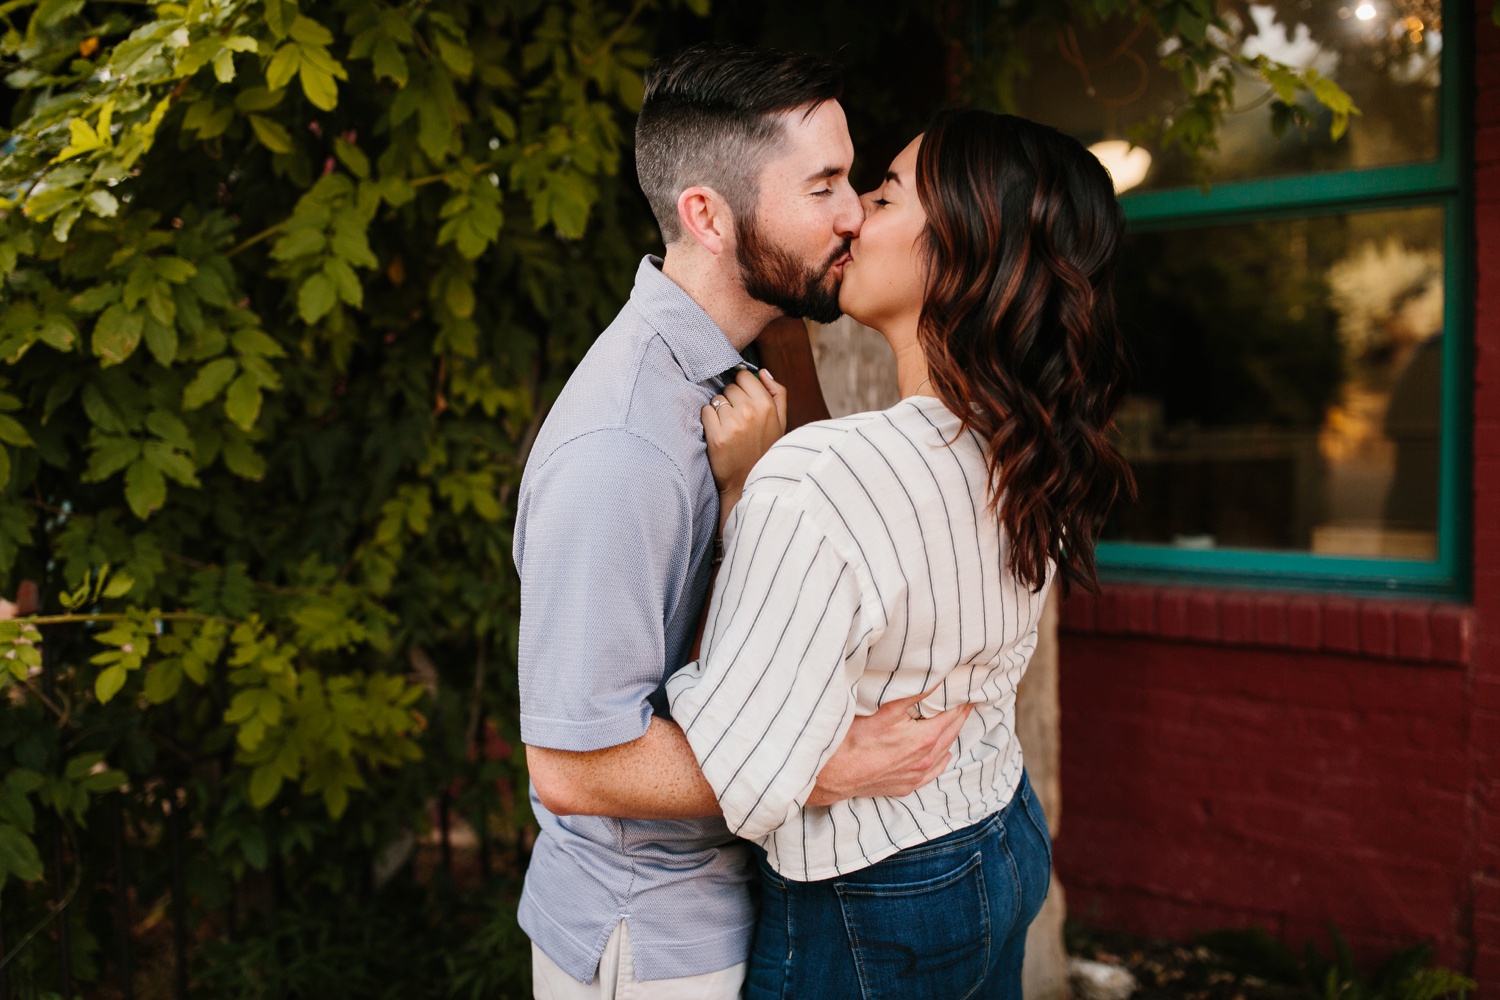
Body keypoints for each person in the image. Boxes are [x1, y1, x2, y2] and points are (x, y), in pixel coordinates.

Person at [513, 44, 971, 1000]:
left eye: (855, 178)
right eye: (824, 186)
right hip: (652, 942)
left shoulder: (754, 366)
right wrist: (821, 767)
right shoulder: (622, 447)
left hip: (735, 901)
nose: (855, 214)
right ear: (706, 215)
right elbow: (573, 767)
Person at [667, 109, 1136, 999]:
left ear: (957, 250)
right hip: (1003, 835)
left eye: (881, 195)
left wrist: (740, 498)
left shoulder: (821, 475)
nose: (848, 216)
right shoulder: (1030, 445)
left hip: (870, 898)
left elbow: (741, 765)